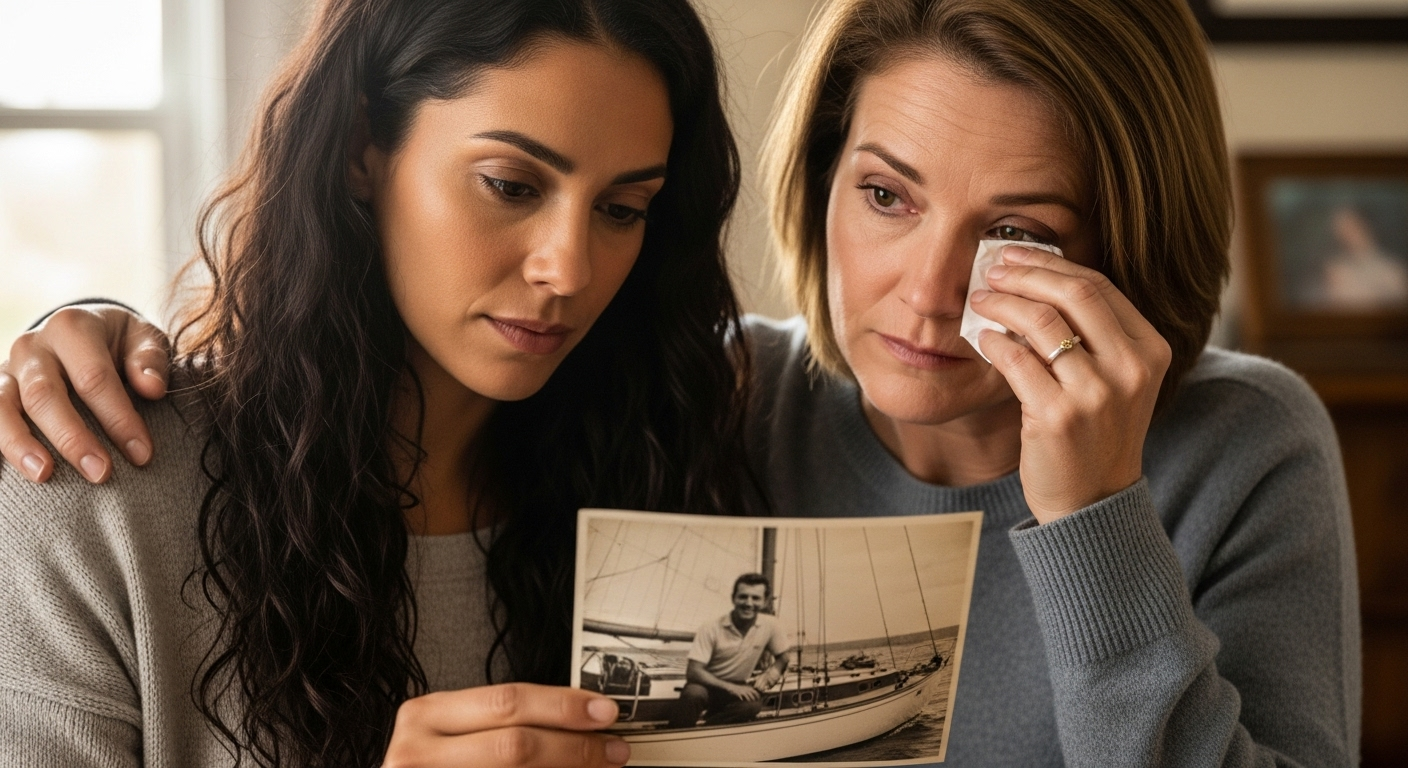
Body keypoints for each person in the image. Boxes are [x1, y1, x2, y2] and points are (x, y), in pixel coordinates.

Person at [0, 0, 1361, 765]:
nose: (931, 295)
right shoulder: (716, 408)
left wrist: (1093, 517)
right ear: (821, 178)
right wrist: (92, 324)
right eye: (885, 196)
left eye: (1026, 235)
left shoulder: (1241, 447)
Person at [0, 0, 758, 765]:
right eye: (510, 186)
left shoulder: (678, 468)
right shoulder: (92, 502)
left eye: (622, 209)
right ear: (362, 145)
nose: (570, 268)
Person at [667, 573, 791, 729]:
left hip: (738, 686)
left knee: (752, 705)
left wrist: (771, 674)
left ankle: (708, 731)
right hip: (705, 685)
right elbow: (693, 671)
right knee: (694, 694)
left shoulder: (772, 625)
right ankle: (677, 733)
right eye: (743, 597)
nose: (748, 603)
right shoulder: (711, 627)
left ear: (765, 602)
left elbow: (784, 657)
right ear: (734, 598)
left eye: (756, 598)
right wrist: (731, 687)